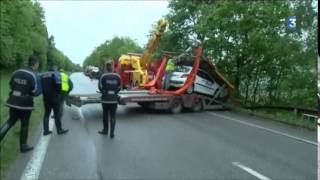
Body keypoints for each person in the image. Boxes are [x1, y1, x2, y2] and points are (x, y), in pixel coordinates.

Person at [0, 55, 42, 153]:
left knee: (10, 121)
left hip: (13, 101)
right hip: (26, 104)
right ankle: (23, 146)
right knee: (24, 124)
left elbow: (11, 85)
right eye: (37, 64)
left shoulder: (16, 72)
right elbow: (37, 92)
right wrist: (29, 93)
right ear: (35, 64)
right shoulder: (34, 75)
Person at [41, 65, 68, 135]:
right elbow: (59, 85)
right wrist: (58, 93)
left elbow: (40, 86)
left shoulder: (43, 75)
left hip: (46, 97)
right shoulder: (55, 74)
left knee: (47, 114)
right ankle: (59, 130)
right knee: (57, 114)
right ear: (53, 69)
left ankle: (46, 130)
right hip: (54, 97)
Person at [98, 62, 121, 138]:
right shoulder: (117, 76)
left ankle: (105, 131)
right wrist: (114, 93)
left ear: (106, 67)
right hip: (114, 100)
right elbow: (120, 87)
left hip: (105, 100)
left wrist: (104, 92)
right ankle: (112, 133)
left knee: (105, 115)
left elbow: (100, 87)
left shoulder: (103, 76)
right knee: (113, 116)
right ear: (112, 67)